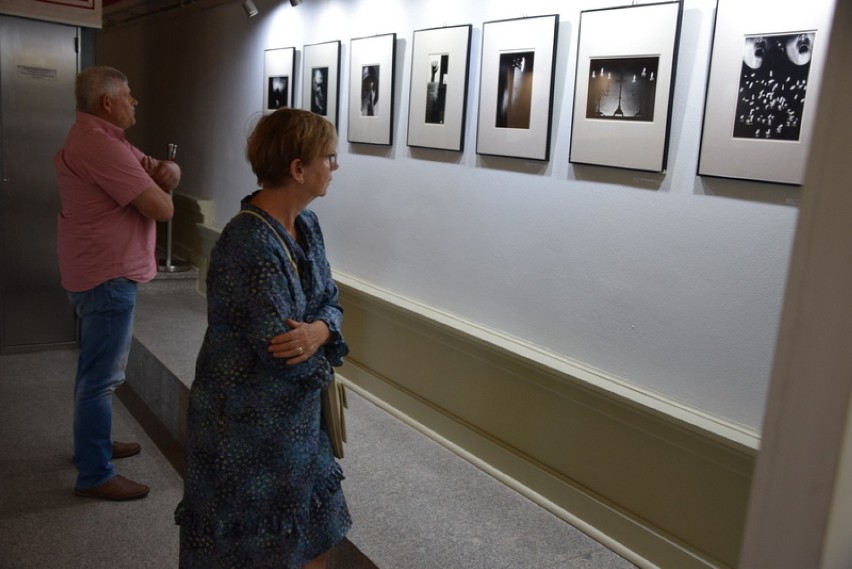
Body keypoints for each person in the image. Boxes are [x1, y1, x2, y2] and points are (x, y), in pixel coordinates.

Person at [174, 108, 350, 569]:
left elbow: (331, 300)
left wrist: (320, 328)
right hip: (246, 431)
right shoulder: (248, 242)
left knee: (313, 535)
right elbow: (280, 351)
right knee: (253, 549)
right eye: (329, 157)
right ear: (297, 169)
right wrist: (320, 343)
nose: (335, 166)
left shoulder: (306, 226)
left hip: (296, 425)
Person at [54, 65, 180, 500]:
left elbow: (160, 169)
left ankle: (94, 444)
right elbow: (162, 209)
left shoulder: (107, 139)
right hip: (106, 276)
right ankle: (94, 473)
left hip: (96, 270)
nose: (134, 101)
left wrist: (170, 172)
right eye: (128, 94)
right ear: (107, 102)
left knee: (93, 370)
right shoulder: (100, 145)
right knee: (101, 378)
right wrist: (162, 186)